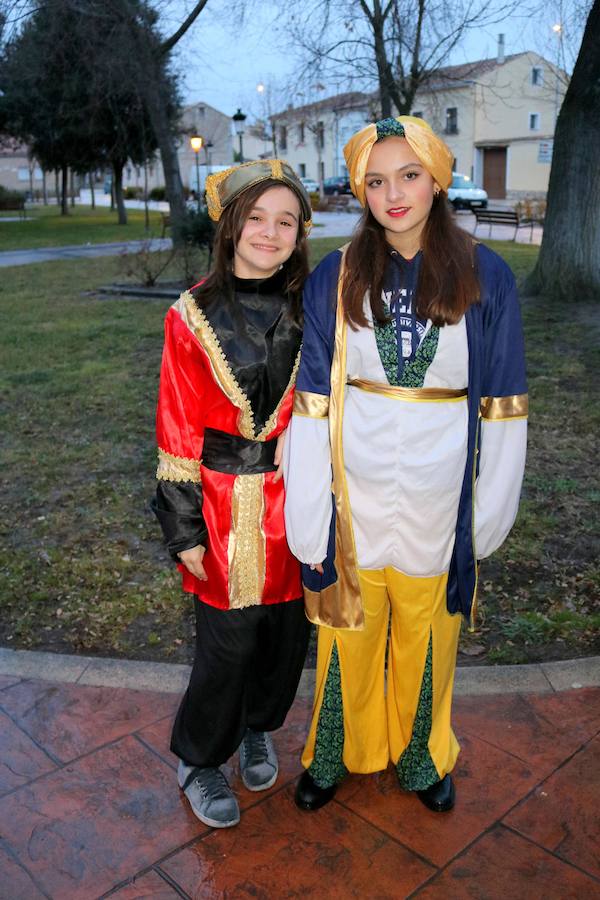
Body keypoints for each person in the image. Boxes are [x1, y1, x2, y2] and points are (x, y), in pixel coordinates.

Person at [283, 116, 527, 814]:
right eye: (377, 180)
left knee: (427, 631)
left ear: (438, 179)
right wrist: (309, 510)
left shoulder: (487, 274)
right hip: (353, 493)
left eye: (409, 175)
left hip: (439, 492)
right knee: (345, 629)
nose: (393, 194)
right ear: (360, 189)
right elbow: (313, 399)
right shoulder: (337, 274)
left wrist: (487, 514)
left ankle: (422, 757)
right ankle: (335, 753)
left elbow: (505, 403)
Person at [152, 159, 313, 828]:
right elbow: (177, 423)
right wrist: (183, 528)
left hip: (300, 501)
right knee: (228, 643)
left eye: (286, 221)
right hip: (225, 507)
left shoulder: (315, 306)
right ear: (230, 224)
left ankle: (256, 725)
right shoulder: (192, 315)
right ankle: (199, 756)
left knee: (284, 641)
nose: (270, 233)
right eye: (256, 217)